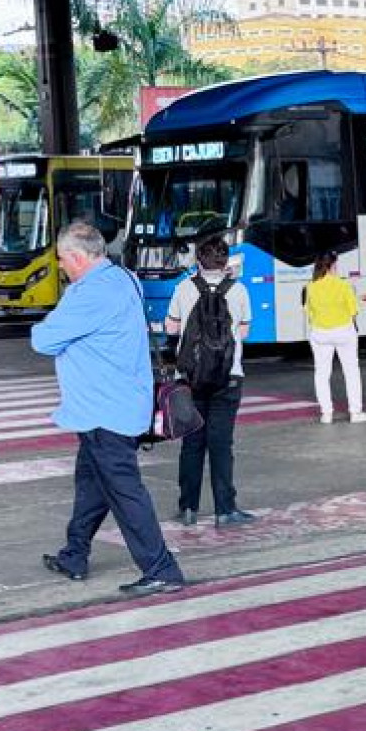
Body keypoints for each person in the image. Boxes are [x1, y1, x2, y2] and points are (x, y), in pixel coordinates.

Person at [30, 222, 185, 595]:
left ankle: (162, 568)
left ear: (79, 257)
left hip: (105, 412)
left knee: (125, 492)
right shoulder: (122, 276)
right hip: (115, 405)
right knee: (91, 485)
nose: (62, 266)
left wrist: (57, 322)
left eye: (64, 259)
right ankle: (74, 554)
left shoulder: (90, 293)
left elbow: (43, 339)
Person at [165, 234, 255, 528]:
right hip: (228, 377)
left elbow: (172, 327)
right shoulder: (238, 290)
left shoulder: (183, 288)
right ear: (226, 261)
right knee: (221, 444)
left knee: (192, 443)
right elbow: (242, 333)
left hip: (190, 378)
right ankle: (225, 510)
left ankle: (188, 508)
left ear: (198, 260)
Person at [303, 249, 366, 423]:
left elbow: (308, 313)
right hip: (343, 332)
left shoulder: (311, 286)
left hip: (320, 334)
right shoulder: (343, 285)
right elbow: (353, 311)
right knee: (351, 372)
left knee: (322, 373)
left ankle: (326, 413)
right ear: (332, 265)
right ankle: (355, 412)